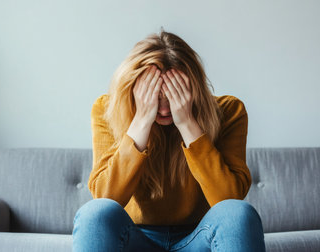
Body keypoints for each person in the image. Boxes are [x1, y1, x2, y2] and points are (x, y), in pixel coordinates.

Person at [72, 29, 266, 252]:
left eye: (175, 95)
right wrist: (142, 120)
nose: (164, 109)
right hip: (134, 238)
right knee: (93, 214)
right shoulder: (108, 110)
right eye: (154, 97)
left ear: (194, 88)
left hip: (200, 237)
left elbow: (229, 200)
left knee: (238, 213)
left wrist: (187, 123)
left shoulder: (230, 111)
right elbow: (105, 198)